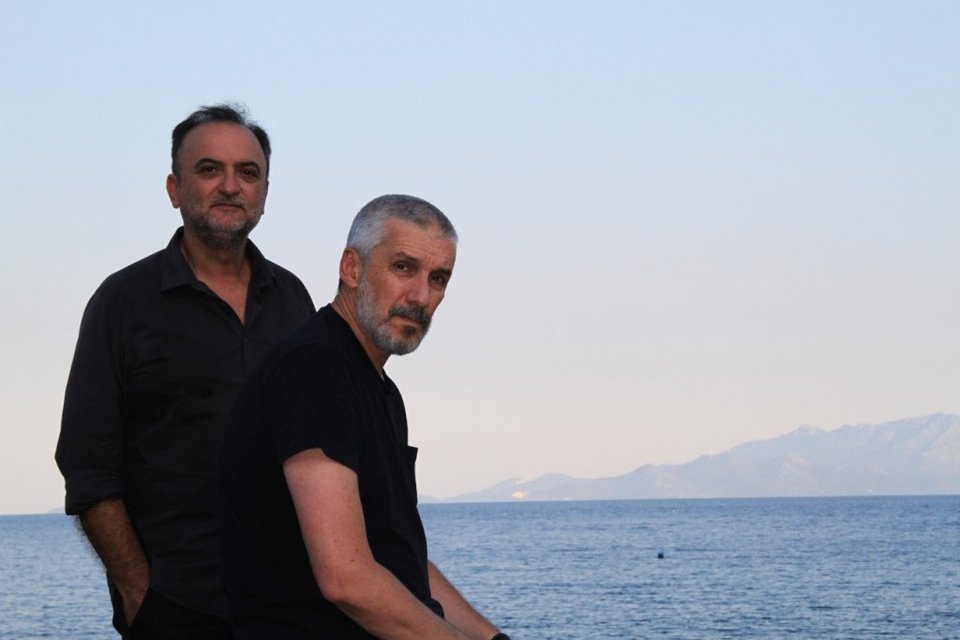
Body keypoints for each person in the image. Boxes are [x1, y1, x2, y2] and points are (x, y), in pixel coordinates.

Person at [55, 104, 315, 639]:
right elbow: (88, 465)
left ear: (265, 191)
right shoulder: (122, 303)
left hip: (292, 605)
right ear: (175, 189)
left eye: (248, 172)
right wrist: (139, 594)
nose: (230, 186)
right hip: (177, 608)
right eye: (209, 169)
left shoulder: (293, 300)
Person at [219, 195, 511, 640]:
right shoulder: (314, 369)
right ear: (352, 268)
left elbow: (399, 559)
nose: (421, 296)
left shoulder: (379, 389)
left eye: (438, 278)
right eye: (403, 268)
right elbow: (346, 578)